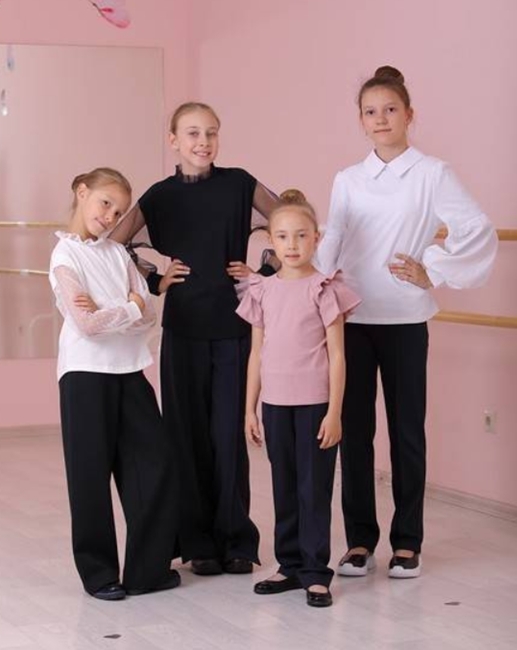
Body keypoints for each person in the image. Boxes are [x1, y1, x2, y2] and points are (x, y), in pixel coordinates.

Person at [317, 66, 498, 579]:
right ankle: (359, 541)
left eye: (390, 110)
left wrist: (431, 270)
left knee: (406, 432)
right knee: (354, 433)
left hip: (404, 318)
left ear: (409, 115)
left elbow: (475, 228)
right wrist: (309, 291)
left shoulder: (432, 173)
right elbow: (333, 242)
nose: (381, 119)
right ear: (360, 120)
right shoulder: (348, 179)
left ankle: (407, 542)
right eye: (370, 112)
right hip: (351, 318)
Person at [110, 102, 279, 576]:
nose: (203, 142)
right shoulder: (159, 196)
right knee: (186, 438)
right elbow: (115, 244)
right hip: (183, 329)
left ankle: (237, 540)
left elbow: (292, 219)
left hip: (233, 327)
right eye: (192, 133)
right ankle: (198, 542)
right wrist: (154, 279)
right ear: (173, 141)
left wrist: (263, 272)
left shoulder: (240, 183)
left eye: (211, 133)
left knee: (228, 437)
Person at [49, 168, 180, 600]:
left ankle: (148, 570)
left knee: (154, 464)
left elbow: (149, 316)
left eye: (119, 212)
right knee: (90, 475)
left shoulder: (118, 254)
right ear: (81, 192)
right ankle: (99, 573)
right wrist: (130, 304)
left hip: (129, 369)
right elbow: (86, 323)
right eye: (105, 203)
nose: (110, 217)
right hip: (85, 374)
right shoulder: (65, 256)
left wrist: (122, 308)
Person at [237, 191, 361, 607]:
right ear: (271, 240)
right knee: (284, 485)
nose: (292, 245)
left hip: (315, 405)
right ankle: (289, 564)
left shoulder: (324, 288)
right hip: (275, 404)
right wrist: (250, 408)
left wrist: (334, 412)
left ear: (316, 239)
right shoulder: (261, 290)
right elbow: (256, 353)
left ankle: (315, 571)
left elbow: (338, 355)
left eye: (302, 236)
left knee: (313, 488)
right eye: (283, 236)